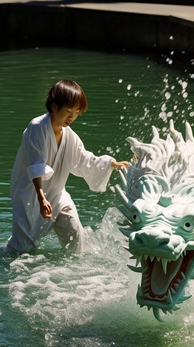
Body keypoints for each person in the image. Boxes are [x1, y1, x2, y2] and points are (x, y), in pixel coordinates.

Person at [7, 79, 130, 254]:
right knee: (21, 250)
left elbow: (83, 159)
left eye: (77, 112)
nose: (72, 117)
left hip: (57, 195)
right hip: (30, 195)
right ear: (55, 106)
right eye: (68, 111)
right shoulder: (37, 128)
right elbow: (36, 166)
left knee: (76, 241)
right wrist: (41, 199)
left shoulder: (69, 135)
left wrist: (111, 163)